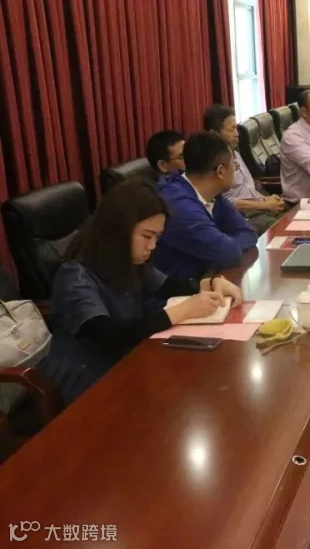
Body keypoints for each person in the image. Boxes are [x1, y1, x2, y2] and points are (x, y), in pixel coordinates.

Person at [37, 179, 243, 406]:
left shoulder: (127, 258)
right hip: (87, 384)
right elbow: (110, 334)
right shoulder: (75, 276)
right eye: (147, 236)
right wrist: (181, 312)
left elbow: (169, 286)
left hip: (128, 363)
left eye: (157, 237)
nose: (152, 246)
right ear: (119, 229)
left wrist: (210, 283)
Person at [154, 132, 258, 280]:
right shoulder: (179, 205)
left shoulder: (214, 195)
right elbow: (228, 254)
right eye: (234, 165)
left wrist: (227, 245)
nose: (235, 170)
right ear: (220, 171)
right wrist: (227, 246)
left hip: (209, 278)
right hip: (178, 288)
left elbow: (249, 232)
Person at [203, 104, 285, 234]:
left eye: (236, 128)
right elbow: (225, 202)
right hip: (244, 217)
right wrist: (263, 205)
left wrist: (267, 199)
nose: (237, 134)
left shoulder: (234, 152)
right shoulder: (212, 163)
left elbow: (248, 188)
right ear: (214, 133)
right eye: (231, 130)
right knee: (284, 230)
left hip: (260, 207)